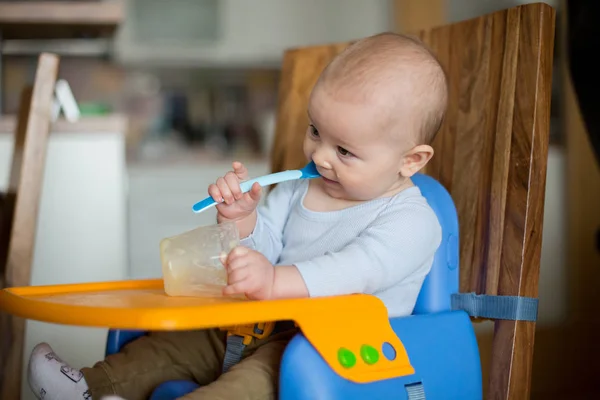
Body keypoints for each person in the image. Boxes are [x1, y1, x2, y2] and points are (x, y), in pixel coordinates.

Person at [26, 31, 447, 400]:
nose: (319, 156)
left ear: (410, 160)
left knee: (257, 380)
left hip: (332, 351)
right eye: (316, 131)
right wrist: (241, 222)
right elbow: (262, 253)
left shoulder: (413, 221)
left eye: (344, 151)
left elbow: (356, 271)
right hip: (261, 322)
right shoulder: (303, 189)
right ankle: (90, 388)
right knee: (176, 342)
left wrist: (274, 280)